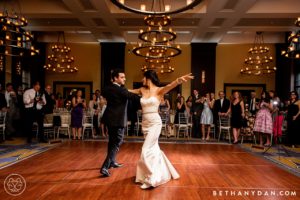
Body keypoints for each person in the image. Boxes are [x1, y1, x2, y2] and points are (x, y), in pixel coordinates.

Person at [129, 70, 193, 189]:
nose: (142, 80)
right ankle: (160, 173)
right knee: (154, 150)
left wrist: (179, 80)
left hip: (155, 122)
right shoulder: (142, 90)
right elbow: (128, 92)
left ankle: (151, 178)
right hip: (145, 123)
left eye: (144, 78)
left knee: (145, 149)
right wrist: (116, 88)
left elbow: (170, 85)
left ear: (149, 78)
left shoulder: (159, 90)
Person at [100, 69, 139, 177]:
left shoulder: (107, 89)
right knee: (117, 142)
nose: (124, 79)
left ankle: (112, 162)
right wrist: (145, 93)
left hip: (109, 118)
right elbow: (133, 97)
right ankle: (105, 166)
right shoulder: (121, 90)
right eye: (122, 77)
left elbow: (105, 93)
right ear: (115, 78)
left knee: (111, 142)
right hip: (118, 120)